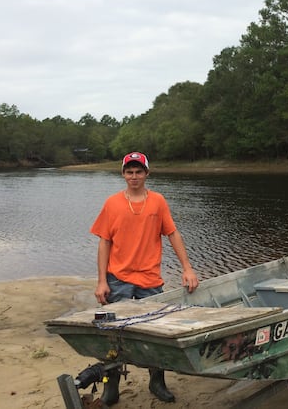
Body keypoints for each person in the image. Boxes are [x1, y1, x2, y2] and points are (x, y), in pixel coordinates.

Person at [90, 151, 199, 403]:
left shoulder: (158, 201)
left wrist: (187, 268)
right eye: (129, 172)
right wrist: (101, 280)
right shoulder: (112, 203)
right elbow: (104, 242)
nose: (134, 176)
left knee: (155, 331)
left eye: (139, 172)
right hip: (117, 279)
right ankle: (111, 386)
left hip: (150, 279)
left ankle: (157, 382)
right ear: (123, 174)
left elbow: (173, 234)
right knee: (112, 333)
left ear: (147, 174)